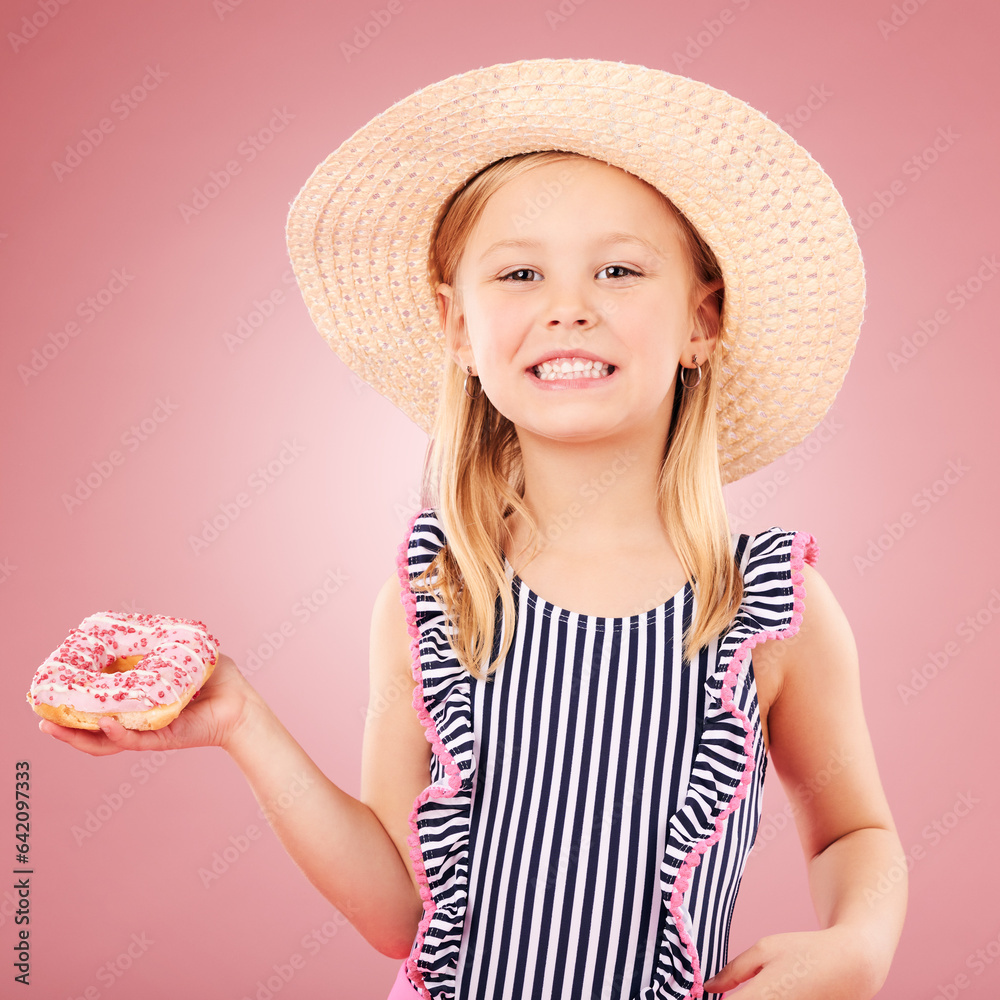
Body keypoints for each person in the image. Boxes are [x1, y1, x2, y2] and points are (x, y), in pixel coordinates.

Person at [39, 59, 906, 999]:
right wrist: (244, 722)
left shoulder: (768, 606)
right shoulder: (434, 599)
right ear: (457, 326)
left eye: (618, 269)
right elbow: (399, 914)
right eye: (520, 272)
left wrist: (859, 944)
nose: (568, 305)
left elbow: (853, 831)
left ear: (702, 319)